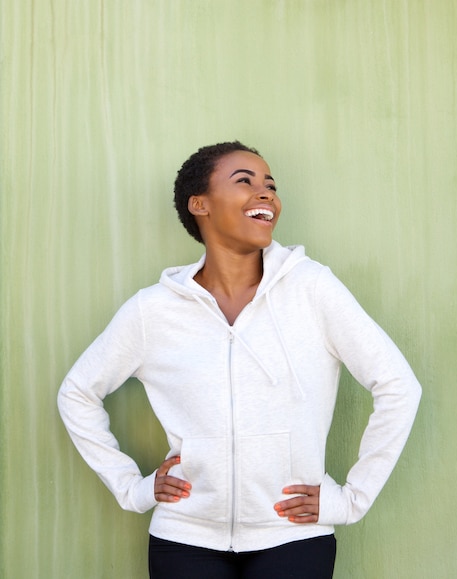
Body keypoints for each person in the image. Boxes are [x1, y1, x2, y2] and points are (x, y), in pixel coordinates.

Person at [58, 141, 421, 578]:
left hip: (293, 535)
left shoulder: (311, 289)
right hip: (184, 538)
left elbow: (399, 385)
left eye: (270, 184)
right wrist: (132, 488)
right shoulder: (153, 311)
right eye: (244, 181)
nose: (265, 193)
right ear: (200, 204)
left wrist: (352, 498)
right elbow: (77, 393)